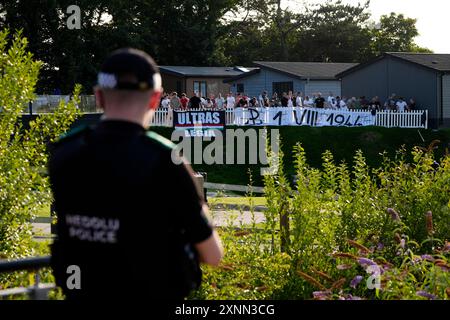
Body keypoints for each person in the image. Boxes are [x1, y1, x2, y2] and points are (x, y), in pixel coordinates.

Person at [48, 48, 223, 301]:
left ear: (99, 96)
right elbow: (213, 255)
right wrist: (198, 204)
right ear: (155, 99)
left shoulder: (64, 152)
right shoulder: (166, 160)